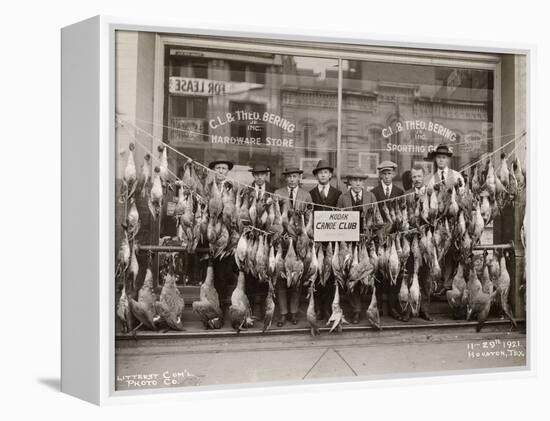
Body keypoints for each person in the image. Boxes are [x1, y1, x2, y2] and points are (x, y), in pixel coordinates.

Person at [336, 167, 376, 324]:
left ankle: (369, 308)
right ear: (350, 182)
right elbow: (338, 219)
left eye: (360, 180)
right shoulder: (343, 198)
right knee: (351, 275)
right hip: (349, 241)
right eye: (355, 180)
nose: (358, 183)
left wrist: (371, 232)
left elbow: (376, 218)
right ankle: (356, 310)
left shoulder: (370, 196)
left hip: (366, 241)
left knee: (365, 274)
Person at [274, 167, 312, 326]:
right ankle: (283, 313)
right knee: (281, 278)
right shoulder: (278, 193)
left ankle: (294, 312)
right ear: (286, 178)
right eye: (289, 176)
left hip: (299, 243)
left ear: (299, 178)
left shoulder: (306, 195)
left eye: (294, 176)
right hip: (281, 242)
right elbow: (274, 216)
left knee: (296, 277)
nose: (291, 179)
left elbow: (310, 217)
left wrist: (304, 234)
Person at [426, 144, 463, 294]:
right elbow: (429, 203)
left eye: (443, 157)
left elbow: (462, 195)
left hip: (454, 220)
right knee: (439, 251)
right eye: (438, 158)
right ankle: (439, 283)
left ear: (447, 159)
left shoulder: (456, 176)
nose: (441, 160)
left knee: (452, 252)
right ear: (435, 160)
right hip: (438, 221)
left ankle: (449, 283)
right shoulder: (431, 179)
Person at [370, 161, 405, 320]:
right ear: (380, 175)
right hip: (380, 238)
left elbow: (402, 215)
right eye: (384, 173)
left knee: (394, 272)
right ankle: (379, 306)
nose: (386, 176)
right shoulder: (373, 193)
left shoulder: (400, 192)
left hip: (395, 238)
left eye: (389, 173)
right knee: (380, 272)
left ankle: (392, 306)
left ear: (393, 174)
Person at [309, 160, 342, 322]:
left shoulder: (337, 194)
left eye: (326, 172)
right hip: (316, 241)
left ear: (330, 175)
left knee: (329, 276)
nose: (323, 175)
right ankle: (319, 308)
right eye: (320, 173)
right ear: (316, 176)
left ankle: (329, 309)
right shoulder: (310, 193)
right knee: (317, 274)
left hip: (331, 241)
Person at [206, 153, 237, 320]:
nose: (221, 171)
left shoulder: (233, 187)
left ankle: (226, 306)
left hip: (228, 237)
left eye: (224, 168)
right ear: (213, 170)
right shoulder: (208, 186)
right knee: (214, 274)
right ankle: (214, 306)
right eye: (218, 168)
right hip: (212, 235)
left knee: (226, 273)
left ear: (227, 171)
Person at [403, 164, 433, 321]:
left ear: (424, 176)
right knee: (410, 274)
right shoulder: (405, 195)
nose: (416, 179)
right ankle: (409, 309)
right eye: (414, 177)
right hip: (411, 241)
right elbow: (403, 217)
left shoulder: (430, 193)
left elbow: (436, 215)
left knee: (426, 275)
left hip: (426, 241)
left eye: (419, 176)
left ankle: (424, 309)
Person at [246, 163, 275, 318]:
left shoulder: (273, 191)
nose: (259, 177)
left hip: (266, 237)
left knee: (264, 272)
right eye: (256, 174)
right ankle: (250, 308)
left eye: (262, 174)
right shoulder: (247, 190)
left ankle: (263, 307)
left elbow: (275, 216)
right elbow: (243, 212)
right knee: (250, 272)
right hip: (251, 237)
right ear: (253, 176)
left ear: (266, 176)